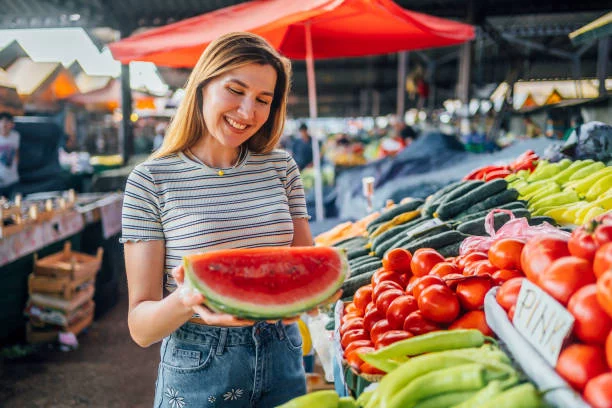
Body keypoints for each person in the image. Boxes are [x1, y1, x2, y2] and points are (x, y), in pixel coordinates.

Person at [121, 32, 324, 408]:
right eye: (235, 90)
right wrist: (187, 298)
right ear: (202, 86)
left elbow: (304, 267)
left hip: (284, 350)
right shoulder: (150, 181)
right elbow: (140, 327)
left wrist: (317, 293)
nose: (248, 112)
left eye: (263, 100)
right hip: (199, 363)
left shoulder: (282, 168)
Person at [0, 112, 20, 199]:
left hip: (13, 180)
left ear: (12, 124)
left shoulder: (15, 136)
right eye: (2, 122)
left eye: (7, 122)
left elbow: (16, 152)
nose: (4, 125)